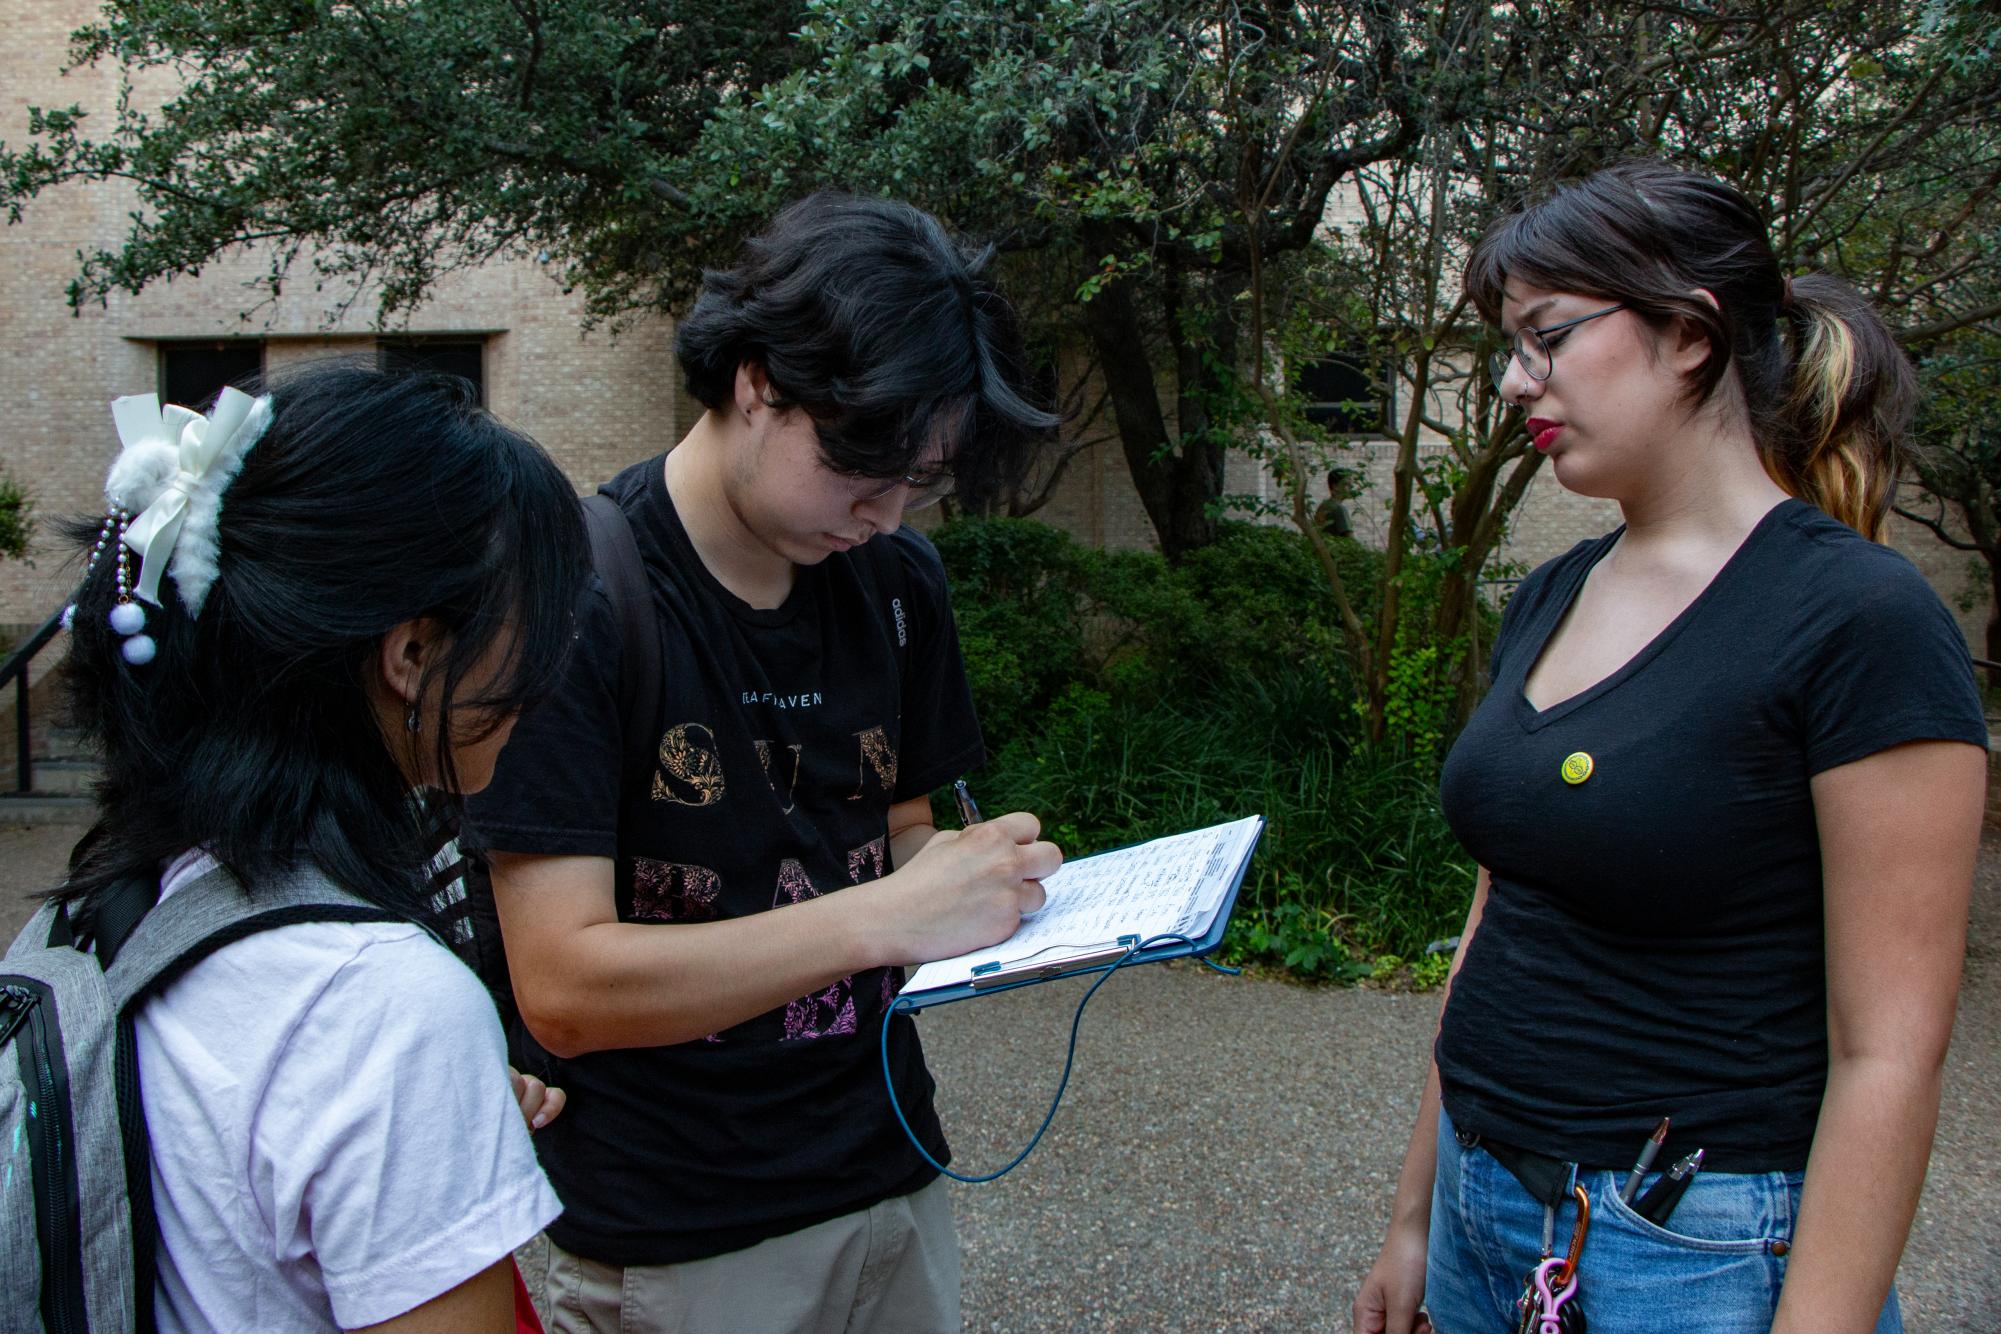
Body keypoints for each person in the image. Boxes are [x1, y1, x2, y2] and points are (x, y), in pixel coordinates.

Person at [1353, 160, 1986, 1334]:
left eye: (1546, 337)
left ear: (1689, 334)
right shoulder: (1549, 593)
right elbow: (1501, 923)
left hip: (1692, 1252)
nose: (1511, 380)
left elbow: (1888, 1052)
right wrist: (1417, 1213)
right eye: (1509, 343)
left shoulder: (1861, 621)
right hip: (1486, 1217)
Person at [467, 193, 1064, 1333]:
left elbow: (898, 834)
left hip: (891, 1175)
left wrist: (989, 886)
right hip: (686, 1229)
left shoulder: (894, 586)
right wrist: (887, 915)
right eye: (862, 468)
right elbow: (565, 984)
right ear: (757, 382)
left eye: (920, 482)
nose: (885, 513)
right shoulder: (572, 598)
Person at [55, 365, 589, 1332]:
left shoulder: (120, 896)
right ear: (414, 654)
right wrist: (418, 1096)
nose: (548, 668)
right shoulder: (382, 1004)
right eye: (532, 624)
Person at [1315, 467, 1356, 539]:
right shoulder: (1339, 509)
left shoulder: (1323, 506)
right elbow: (1350, 540)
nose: (1351, 488)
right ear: (1335, 486)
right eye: (1347, 484)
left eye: (1351, 485)